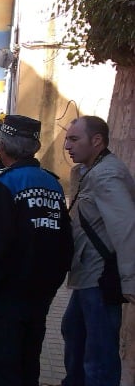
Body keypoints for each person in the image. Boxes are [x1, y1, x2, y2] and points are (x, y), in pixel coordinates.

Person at [0, 114, 74, 386]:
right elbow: (65, 240)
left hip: (4, 297)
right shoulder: (52, 183)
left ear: (3, 147)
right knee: (28, 363)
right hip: (39, 295)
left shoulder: (4, 183)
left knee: (0, 369)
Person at [60, 115, 135, 386]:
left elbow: (126, 228)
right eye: (67, 138)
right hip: (86, 274)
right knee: (73, 331)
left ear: (97, 141)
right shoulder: (87, 171)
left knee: (99, 355)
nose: (67, 145)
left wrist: (129, 280)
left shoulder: (107, 174)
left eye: (74, 139)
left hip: (100, 278)